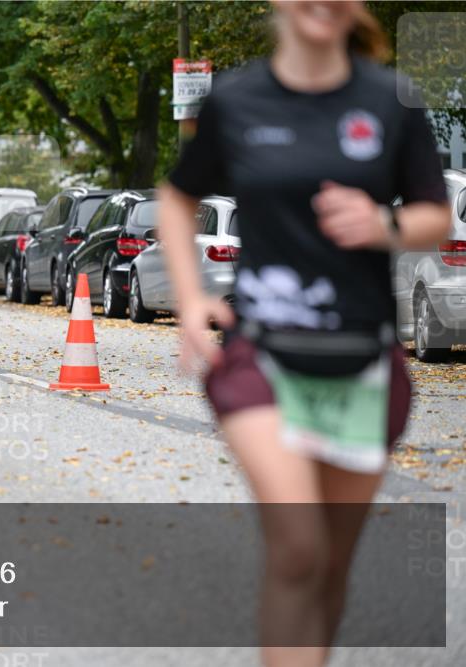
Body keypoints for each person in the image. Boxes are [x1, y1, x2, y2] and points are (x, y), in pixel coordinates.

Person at [158, 3, 450, 665]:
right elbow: (176, 198)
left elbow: (435, 213)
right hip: (261, 354)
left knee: (330, 565)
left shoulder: (391, 100)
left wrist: (384, 225)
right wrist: (191, 299)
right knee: (298, 547)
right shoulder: (236, 100)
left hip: (361, 361)